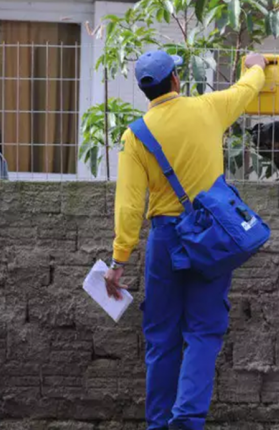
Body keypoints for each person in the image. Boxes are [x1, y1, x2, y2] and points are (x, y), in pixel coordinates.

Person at [103, 50, 267, 430]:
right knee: (204, 330)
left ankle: (158, 424)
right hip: (211, 235)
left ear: (147, 91)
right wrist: (255, 65)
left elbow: (129, 205)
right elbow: (247, 89)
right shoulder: (208, 108)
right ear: (176, 79)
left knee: (161, 336)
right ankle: (187, 421)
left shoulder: (136, 135)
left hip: (165, 239)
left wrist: (118, 261)